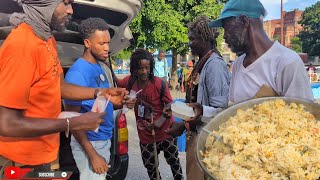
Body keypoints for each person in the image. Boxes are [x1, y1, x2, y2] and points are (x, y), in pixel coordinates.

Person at [0, 0, 127, 171]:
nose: (70, 10)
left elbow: (59, 86)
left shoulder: (47, 39)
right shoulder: (21, 45)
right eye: (65, 3)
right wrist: (73, 123)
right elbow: (6, 124)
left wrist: (101, 92)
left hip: (45, 156)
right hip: (21, 163)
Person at [63, 17, 134, 180]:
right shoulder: (78, 73)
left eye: (108, 43)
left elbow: (99, 104)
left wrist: (122, 103)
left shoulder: (98, 67)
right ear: (87, 43)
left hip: (103, 139)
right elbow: (72, 121)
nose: (107, 48)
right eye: (102, 44)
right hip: (90, 144)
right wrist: (93, 155)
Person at [207, 0, 313, 104]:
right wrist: (204, 111)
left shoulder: (288, 62)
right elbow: (232, 112)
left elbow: (304, 114)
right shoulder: (238, 64)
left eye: (227, 28)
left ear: (244, 21)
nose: (224, 36)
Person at [166, 15, 231, 179]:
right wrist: (177, 111)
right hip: (197, 139)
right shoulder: (202, 62)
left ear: (204, 38)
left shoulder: (215, 65)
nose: (189, 43)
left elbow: (221, 111)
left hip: (208, 143)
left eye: (192, 39)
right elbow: (196, 103)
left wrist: (184, 126)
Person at [117, 49, 183, 180]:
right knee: (152, 170)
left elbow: (170, 105)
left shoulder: (159, 83)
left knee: (174, 164)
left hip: (166, 133)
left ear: (151, 67)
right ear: (134, 68)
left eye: (147, 68)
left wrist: (160, 120)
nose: (144, 71)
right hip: (146, 137)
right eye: (140, 68)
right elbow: (115, 84)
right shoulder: (130, 82)